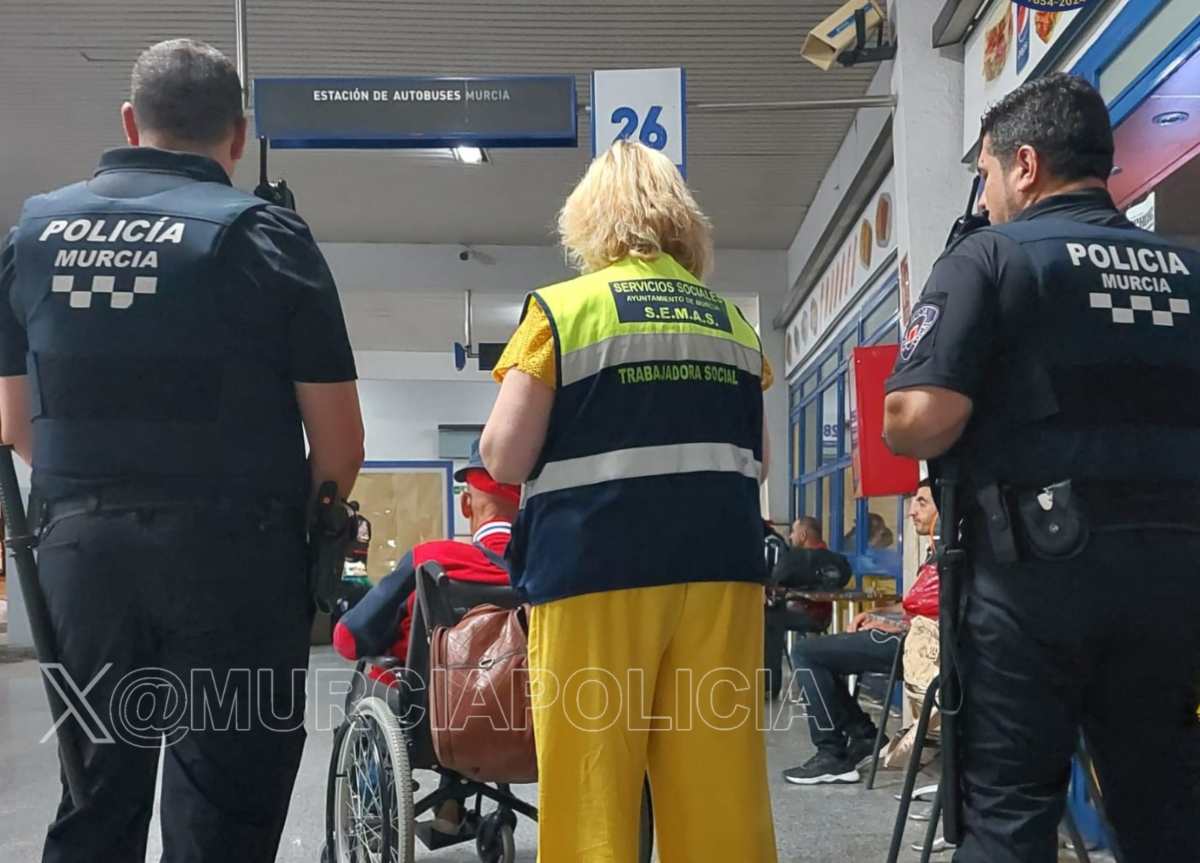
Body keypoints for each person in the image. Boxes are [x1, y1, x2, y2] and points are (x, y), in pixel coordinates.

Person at [0, 40, 363, 863]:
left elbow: (17, 424)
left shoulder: (33, 234)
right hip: (236, 560)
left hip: (82, 561)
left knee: (93, 802)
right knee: (225, 810)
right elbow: (339, 443)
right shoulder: (268, 236)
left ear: (130, 121)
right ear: (238, 137)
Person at [883, 73, 1200, 863]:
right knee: (1166, 809)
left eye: (986, 175)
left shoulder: (992, 259)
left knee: (1009, 814)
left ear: (1025, 164)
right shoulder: (1188, 272)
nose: (984, 198)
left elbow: (917, 421)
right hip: (1174, 577)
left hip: (1033, 581)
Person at [480, 140, 778, 863]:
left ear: (588, 220)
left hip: (594, 574)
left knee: (593, 790)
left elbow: (503, 455)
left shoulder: (562, 312)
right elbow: (759, 459)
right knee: (719, 791)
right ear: (683, 221)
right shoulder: (733, 325)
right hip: (719, 575)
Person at [333, 440, 519, 841]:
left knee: (385, 679)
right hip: (535, 715)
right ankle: (449, 810)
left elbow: (348, 639)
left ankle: (367, 806)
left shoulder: (429, 560)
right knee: (469, 689)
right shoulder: (548, 569)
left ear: (467, 505)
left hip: (434, 722)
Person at [781, 479, 938, 785]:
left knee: (806, 653)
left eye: (922, 503)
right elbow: (922, 607)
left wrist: (893, 625)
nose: (911, 512)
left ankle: (833, 753)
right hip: (911, 640)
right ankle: (863, 736)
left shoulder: (953, 555)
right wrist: (878, 613)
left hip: (923, 651)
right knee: (818, 656)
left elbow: (943, 618)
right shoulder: (936, 551)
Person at [764, 517, 833, 700]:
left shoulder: (801, 559)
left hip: (810, 614)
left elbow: (777, 579)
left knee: (769, 618)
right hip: (816, 613)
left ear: (803, 535)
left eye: (793, 532)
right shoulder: (830, 558)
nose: (791, 536)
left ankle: (768, 684)